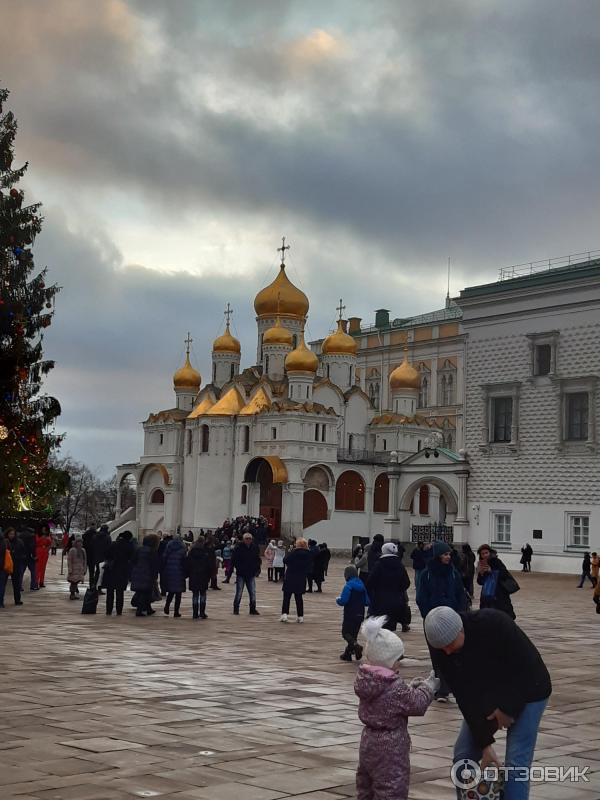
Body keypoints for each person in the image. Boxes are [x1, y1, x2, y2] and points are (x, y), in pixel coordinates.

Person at [425, 606, 552, 800]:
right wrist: (485, 743)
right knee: (464, 755)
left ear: (460, 629)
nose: (447, 652)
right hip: (489, 692)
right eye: (441, 648)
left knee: (515, 765)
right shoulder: (440, 645)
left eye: (450, 644)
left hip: (531, 690)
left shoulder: (494, 624)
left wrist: (506, 709)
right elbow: (464, 695)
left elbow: (529, 672)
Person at [354, 615, 438, 800]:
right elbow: (416, 704)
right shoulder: (394, 686)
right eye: (398, 658)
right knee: (391, 789)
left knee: (366, 787)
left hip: (368, 742)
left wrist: (412, 687)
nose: (400, 662)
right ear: (389, 661)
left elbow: (396, 700)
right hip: (391, 747)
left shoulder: (367, 681)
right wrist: (428, 687)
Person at [416, 540, 466, 702]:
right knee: (436, 653)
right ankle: (441, 685)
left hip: (451, 618)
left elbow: (460, 594)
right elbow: (421, 597)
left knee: (450, 652)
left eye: (449, 554)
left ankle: (445, 688)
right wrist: (427, 613)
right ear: (437, 556)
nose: (448, 557)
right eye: (445, 554)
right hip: (432, 618)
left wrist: (459, 613)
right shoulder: (426, 574)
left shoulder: (453, 573)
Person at [367, 542, 411, 633]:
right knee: (391, 626)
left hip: (380, 599)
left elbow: (370, 582)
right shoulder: (400, 565)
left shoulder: (379, 565)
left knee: (381, 626)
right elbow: (406, 582)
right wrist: (398, 590)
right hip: (396, 600)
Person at [336, 565, 370, 661]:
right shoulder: (362, 586)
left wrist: (338, 600)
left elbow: (343, 601)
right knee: (353, 635)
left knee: (345, 633)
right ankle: (348, 654)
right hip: (360, 613)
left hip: (350, 613)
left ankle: (356, 647)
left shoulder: (348, 586)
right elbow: (367, 602)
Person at [477, 544, 518, 620]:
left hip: (499, 593)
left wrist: (491, 571)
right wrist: (481, 574)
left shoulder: (497, 561)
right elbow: (480, 582)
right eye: (483, 554)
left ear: (490, 552)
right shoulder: (481, 564)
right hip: (487, 595)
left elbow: (504, 573)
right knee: (487, 617)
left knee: (502, 615)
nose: (485, 555)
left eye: (486, 553)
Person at [280, 537, 312, 623]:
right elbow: (309, 567)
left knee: (287, 597)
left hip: (291, 576)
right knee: (299, 598)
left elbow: (285, 560)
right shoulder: (309, 554)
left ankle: (284, 614)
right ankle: (300, 616)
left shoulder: (293, 552)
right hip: (301, 577)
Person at [104, 531, 135, 615]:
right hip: (122, 571)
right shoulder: (129, 546)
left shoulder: (113, 544)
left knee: (110, 592)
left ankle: (108, 610)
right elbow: (132, 559)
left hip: (111, 571)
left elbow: (106, 555)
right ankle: (119, 610)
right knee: (120, 593)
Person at [130, 533, 160, 617]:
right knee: (145, 592)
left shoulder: (139, 549)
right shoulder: (152, 551)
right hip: (147, 574)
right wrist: (155, 576)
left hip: (137, 573)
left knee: (141, 591)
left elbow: (133, 561)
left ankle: (148, 609)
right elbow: (154, 565)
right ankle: (139, 610)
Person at [231, 532, 261, 615]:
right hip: (241, 573)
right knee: (239, 592)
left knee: (252, 592)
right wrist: (236, 568)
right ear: (243, 539)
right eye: (246, 538)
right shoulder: (238, 548)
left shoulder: (254, 547)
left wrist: (257, 569)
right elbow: (234, 560)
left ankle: (252, 608)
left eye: (250, 539)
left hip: (251, 573)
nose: (248, 540)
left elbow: (257, 559)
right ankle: (236, 608)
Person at [186, 536, 214, 619]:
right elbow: (209, 565)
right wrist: (209, 575)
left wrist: (188, 573)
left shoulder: (191, 552)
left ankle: (195, 613)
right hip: (203, 576)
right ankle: (202, 612)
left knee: (195, 595)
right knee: (202, 594)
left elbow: (188, 565)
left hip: (193, 575)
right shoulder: (205, 552)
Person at [162, 535, 187, 617]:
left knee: (171, 592)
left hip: (169, 571)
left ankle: (167, 606)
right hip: (179, 572)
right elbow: (184, 563)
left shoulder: (168, 548)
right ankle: (176, 611)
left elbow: (164, 559)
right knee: (178, 594)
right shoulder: (182, 550)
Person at [0, 528, 25, 607]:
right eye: (10, 534)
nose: (12, 535)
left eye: (13, 534)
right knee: (2, 584)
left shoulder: (19, 542)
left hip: (16, 565)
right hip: (6, 565)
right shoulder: (4, 542)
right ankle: (1, 601)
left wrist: (19, 558)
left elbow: (23, 553)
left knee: (16, 584)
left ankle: (17, 600)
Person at [92, 524, 112, 593]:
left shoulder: (95, 537)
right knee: (102, 573)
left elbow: (92, 546)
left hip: (96, 557)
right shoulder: (108, 537)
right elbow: (109, 548)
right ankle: (99, 587)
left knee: (97, 572)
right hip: (104, 557)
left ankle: (94, 586)